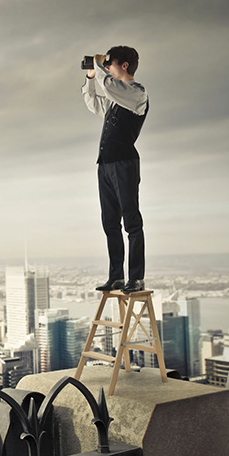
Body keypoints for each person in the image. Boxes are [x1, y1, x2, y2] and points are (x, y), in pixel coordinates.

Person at [82, 45, 149, 293]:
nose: (107, 67)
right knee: (110, 223)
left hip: (124, 163)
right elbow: (92, 102)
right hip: (105, 165)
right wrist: (91, 76)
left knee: (131, 221)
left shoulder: (137, 93)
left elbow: (110, 86)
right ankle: (116, 277)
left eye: (111, 63)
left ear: (123, 66)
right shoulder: (113, 101)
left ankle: (136, 278)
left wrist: (100, 66)